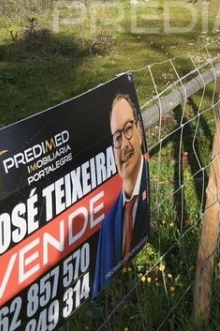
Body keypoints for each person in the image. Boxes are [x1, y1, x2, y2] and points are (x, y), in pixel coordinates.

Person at [91, 92, 150, 298]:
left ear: (140, 130)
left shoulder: (148, 189)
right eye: (117, 137)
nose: (124, 144)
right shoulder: (107, 225)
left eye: (127, 129)